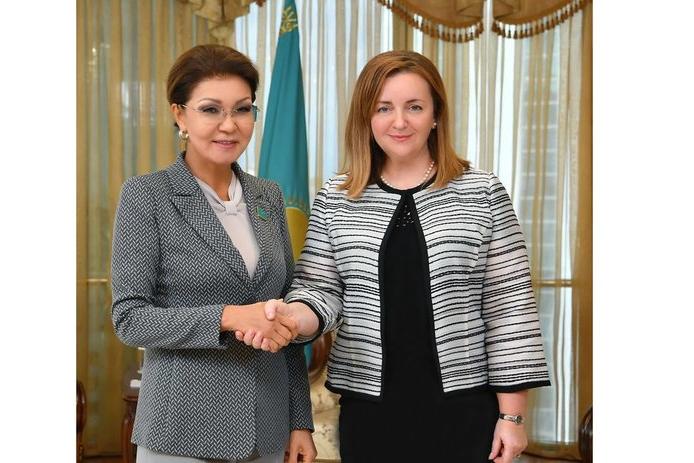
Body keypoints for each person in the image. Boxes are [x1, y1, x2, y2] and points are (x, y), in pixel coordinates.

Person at [237, 50, 551, 463]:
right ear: (366, 117)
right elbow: (319, 290)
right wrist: (292, 318)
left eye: (414, 107)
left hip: (466, 408)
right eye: (383, 108)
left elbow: (510, 306)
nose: (399, 122)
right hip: (371, 411)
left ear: (436, 115)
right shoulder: (337, 197)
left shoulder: (482, 192)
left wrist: (512, 417)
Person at [111, 44, 317, 463]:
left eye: (242, 109)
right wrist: (230, 317)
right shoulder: (147, 195)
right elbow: (129, 318)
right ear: (180, 115)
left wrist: (300, 421)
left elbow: (285, 312)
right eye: (210, 110)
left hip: (267, 429)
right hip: (182, 430)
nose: (229, 125)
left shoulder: (268, 195)